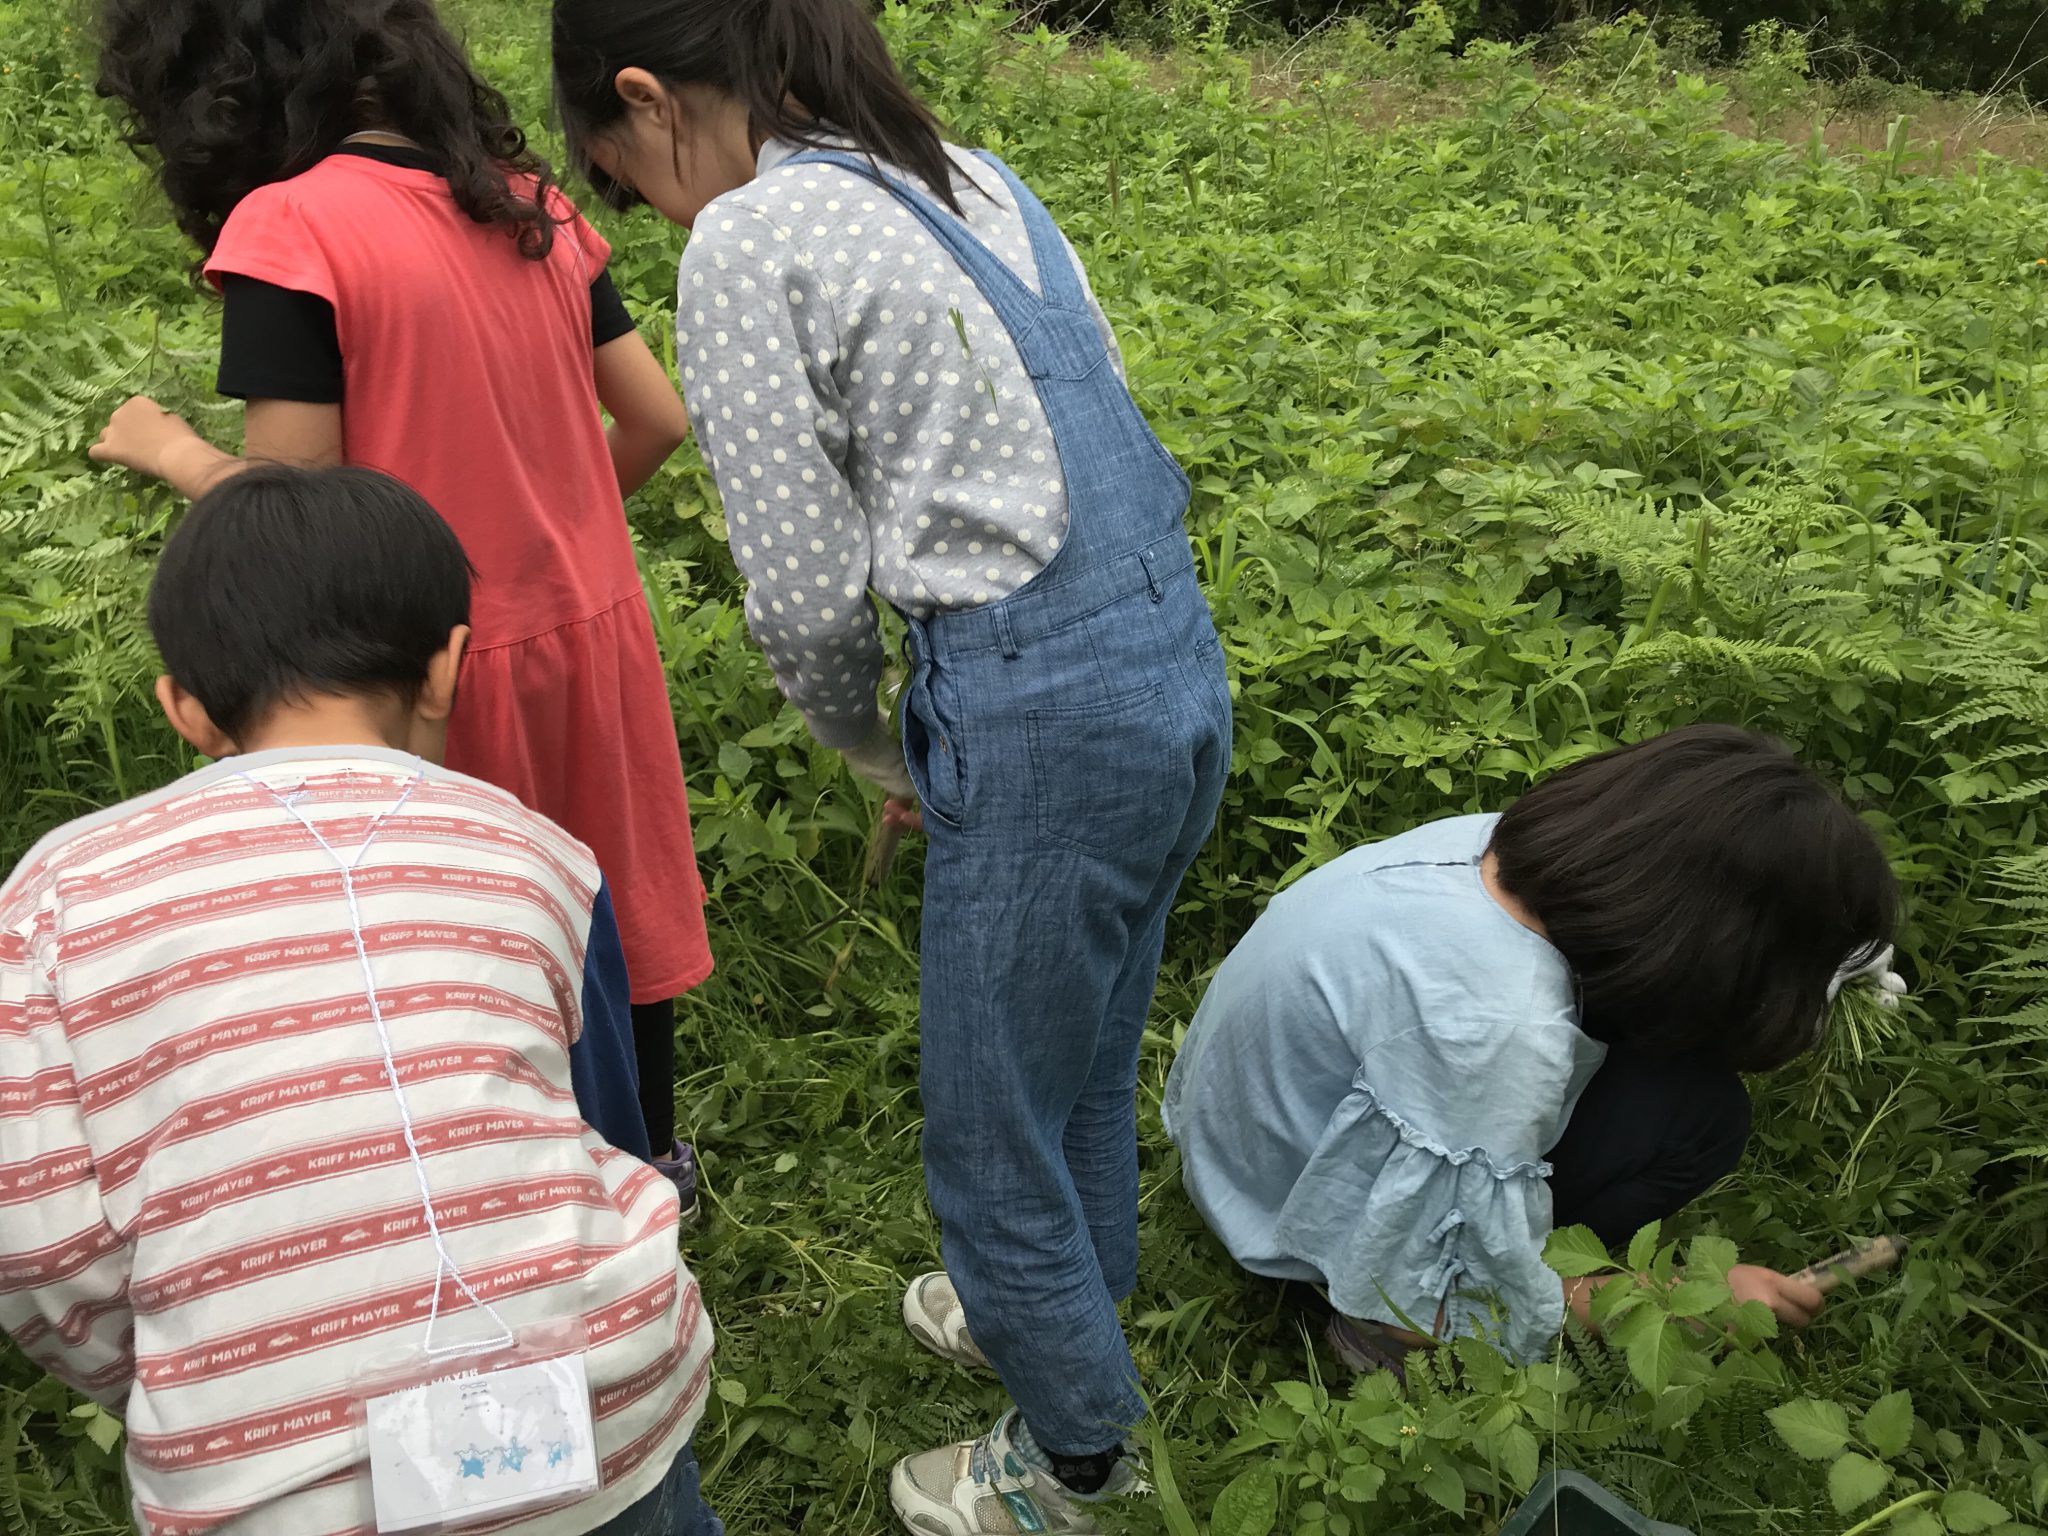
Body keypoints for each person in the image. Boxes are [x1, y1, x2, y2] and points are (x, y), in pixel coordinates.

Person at [548, 2, 1232, 1530]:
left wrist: (874, 744)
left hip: (1039, 709)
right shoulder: (963, 170)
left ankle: (1080, 1464)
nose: (656, 211)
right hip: (1174, 661)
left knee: (987, 1138)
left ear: (647, 97)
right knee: (1080, 1054)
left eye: (624, 176)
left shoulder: (749, 237)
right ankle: (1052, 1311)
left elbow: (801, 594)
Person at [0, 466, 719, 1536]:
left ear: (184, 709)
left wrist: (185, 1364)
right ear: (449, 667)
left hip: (263, 1491)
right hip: (603, 1405)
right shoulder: (539, 855)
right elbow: (608, 1126)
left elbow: (41, 1242)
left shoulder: (58, 897)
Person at [88, 0, 711, 1188]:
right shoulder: (527, 204)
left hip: (419, 672)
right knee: (611, 914)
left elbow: (297, 518)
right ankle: (646, 1175)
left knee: (457, 941)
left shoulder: (289, 228)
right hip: (593, 636)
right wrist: (549, 532)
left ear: (214, 87)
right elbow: (655, 421)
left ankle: (484, 1194)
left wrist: (172, 451)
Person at [1163, 725, 1904, 1374]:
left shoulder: (1514, 850)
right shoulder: (1505, 1032)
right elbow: (1437, 1295)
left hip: (1241, 1138)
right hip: (1283, 1213)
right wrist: (1682, 1300)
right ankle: (1370, 1340)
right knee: (1702, 1119)